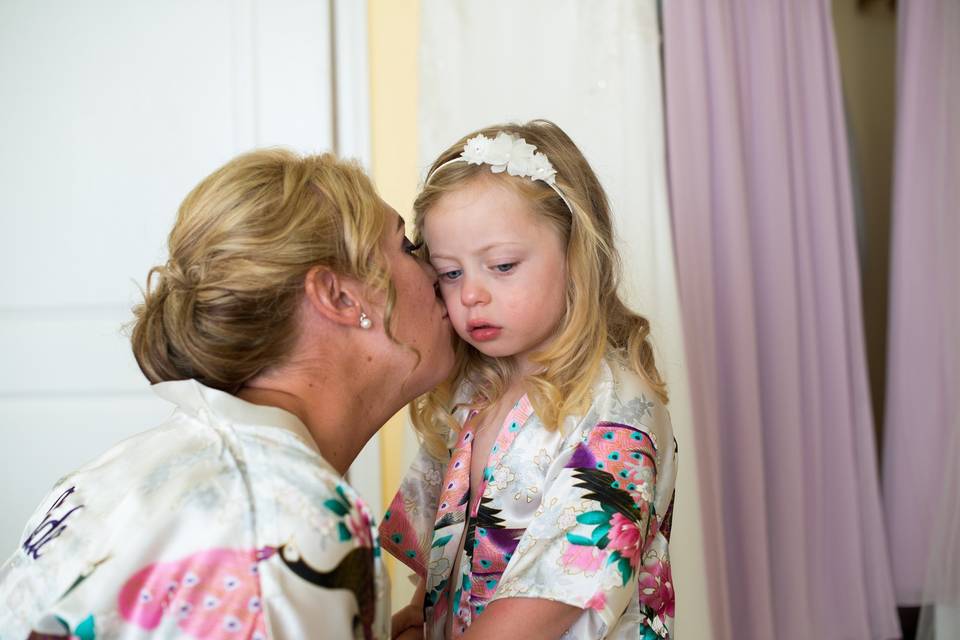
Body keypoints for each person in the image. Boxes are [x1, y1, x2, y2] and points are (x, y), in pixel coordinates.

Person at [0, 149, 454, 639]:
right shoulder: (289, 520)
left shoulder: (113, 473)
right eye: (406, 246)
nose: (437, 272)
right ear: (340, 296)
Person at [381, 120, 678, 639]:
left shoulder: (618, 410)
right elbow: (446, 549)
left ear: (575, 255)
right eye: (450, 273)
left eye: (501, 265)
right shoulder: (476, 387)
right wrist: (418, 613)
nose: (470, 294)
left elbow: (548, 605)